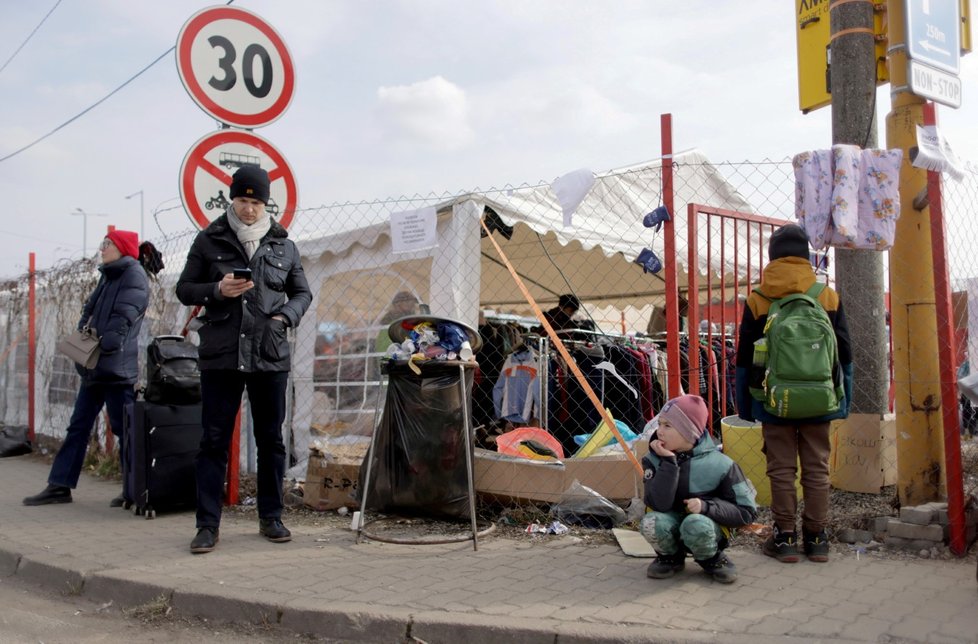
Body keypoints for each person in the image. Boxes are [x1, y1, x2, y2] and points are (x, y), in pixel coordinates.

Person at [176, 166, 312, 555]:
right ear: (231, 199)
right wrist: (217, 289)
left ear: (265, 203)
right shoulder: (209, 239)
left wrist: (284, 317)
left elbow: (302, 293)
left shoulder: (284, 245)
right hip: (221, 354)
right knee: (214, 440)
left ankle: (271, 517)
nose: (249, 209)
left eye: (256, 202)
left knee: (271, 440)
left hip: (270, 354)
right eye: (242, 200)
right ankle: (206, 525)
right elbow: (184, 288)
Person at [735, 223, 852, 563]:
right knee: (817, 466)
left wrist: (746, 404)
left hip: (773, 398)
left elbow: (745, 358)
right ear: (806, 255)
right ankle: (817, 538)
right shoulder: (825, 295)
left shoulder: (758, 298)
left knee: (781, 467)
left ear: (772, 256)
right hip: (820, 395)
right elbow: (844, 350)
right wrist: (843, 399)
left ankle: (785, 538)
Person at [23, 230, 149, 507]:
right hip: (93, 367)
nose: (101, 249)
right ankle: (59, 486)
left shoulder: (133, 276)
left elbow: (122, 323)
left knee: (125, 431)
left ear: (122, 248)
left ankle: (134, 490)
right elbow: (88, 310)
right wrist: (84, 334)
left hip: (116, 371)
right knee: (78, 427)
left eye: (107, 244)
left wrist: (102, 343)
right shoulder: (109, 276)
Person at [640, 394, 757, 584]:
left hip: (705, 525)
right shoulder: (653, 459)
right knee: (651, 522)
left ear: (689, 432)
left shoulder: (722, 465)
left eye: (667, 426)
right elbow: (658, 504)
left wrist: (706, 507)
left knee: (695, 524)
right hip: (671, 519)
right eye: (659, 424)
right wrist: (669, 462)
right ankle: (670, 557)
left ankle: (712, 559)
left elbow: (746, 512)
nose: (659, 431)